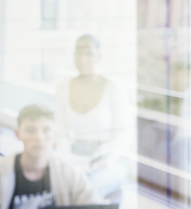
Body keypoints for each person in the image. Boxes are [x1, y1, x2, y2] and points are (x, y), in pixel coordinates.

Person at [54, 35, 135, 199]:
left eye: (89, 54)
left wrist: (107, 159)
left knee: (85, 190)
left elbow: (125, 133)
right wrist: (67, 160)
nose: (83, 59)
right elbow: (61, 132)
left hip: (107, 160)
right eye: (79, 53)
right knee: (60, 185)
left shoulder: (113, 88)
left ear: (99, 56)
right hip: (75, 157)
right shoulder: (63, 88)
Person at [0, 105, 105, 209]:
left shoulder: (69, 171)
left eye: (46, 130)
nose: (39, 137)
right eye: (31, 130)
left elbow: (95, 204)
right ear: (17, 134)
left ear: (54, 134)